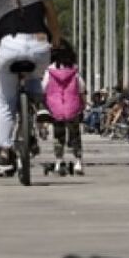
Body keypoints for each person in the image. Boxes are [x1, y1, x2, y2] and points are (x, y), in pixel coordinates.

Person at [0, 0, 62, 177]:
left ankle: (4, 148)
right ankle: (39, 104)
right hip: (39, 44)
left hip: (9, 46)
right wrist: (56, 42)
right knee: (36, 78)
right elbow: (53, 20)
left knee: (6, 102)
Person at [43, 39, 85, 176]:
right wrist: (83, 102)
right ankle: (78, 162)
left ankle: (58, 162)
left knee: (58, 136)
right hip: (73, 107)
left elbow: (43, 87)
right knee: (75, 135)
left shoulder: (50, 71)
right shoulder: (74, 70)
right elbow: (81, 87)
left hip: (56, 108)